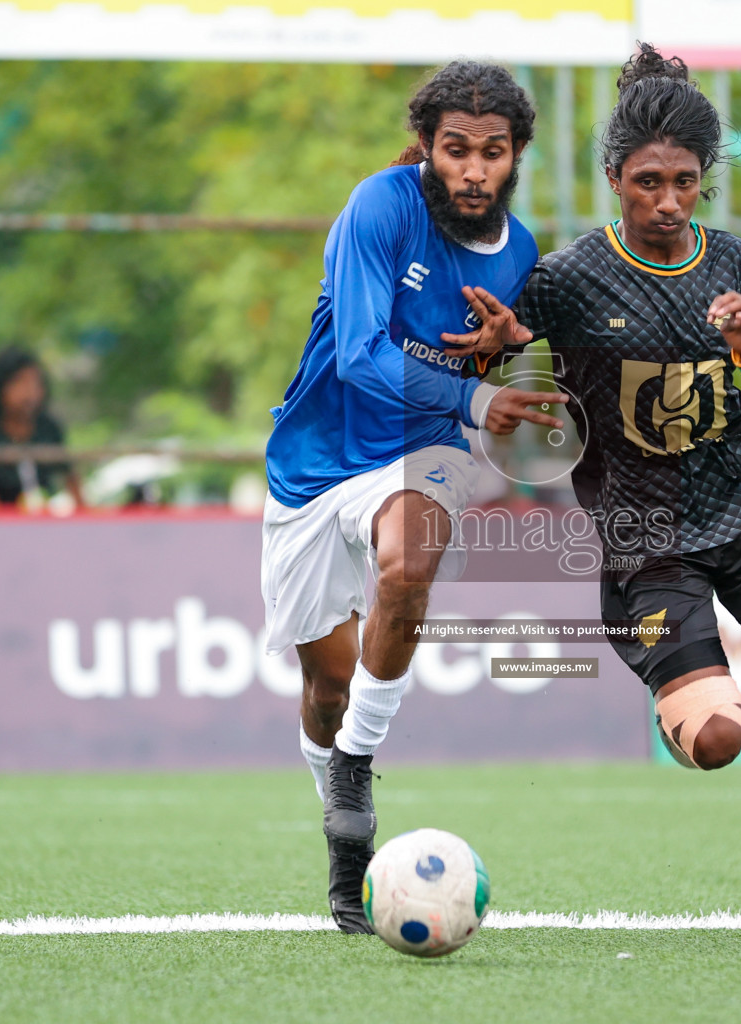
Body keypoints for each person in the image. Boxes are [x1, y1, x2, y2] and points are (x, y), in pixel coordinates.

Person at [454, 44, 741, 938]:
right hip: (646, 543)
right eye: (648, 182)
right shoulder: (569, 278)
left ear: (705, 181)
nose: (668, 201)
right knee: (717, 743)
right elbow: (502, 356)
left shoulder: (735, 267)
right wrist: (508, 344)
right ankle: (684, 688)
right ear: (613, 179)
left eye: (686, 182)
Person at [259, 61, 561, 934]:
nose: (473, 169)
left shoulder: (523, 253)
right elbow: (359, 356)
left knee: (413, 555)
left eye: (492, 152)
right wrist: (476, 393)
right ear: (428, 149)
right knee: (324, 686)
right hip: (315, 465)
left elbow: (499, 378)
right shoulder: (380, 207)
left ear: (515, 157)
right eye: (456, 149)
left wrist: (511, 354)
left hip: (419, 456)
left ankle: (355, 767)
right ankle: (343, 834)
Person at [0, 347, 83, 510]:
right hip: (3, 526)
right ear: (0, 387)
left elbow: (71, 482)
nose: (30, 392)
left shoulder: (49, 429)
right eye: (20, 382)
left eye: (35, 382)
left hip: (46, 522)